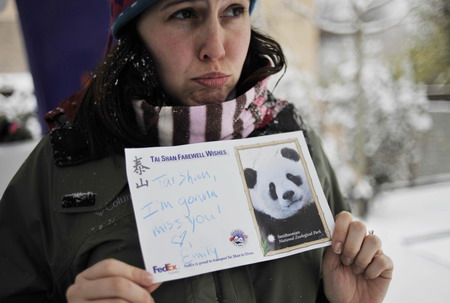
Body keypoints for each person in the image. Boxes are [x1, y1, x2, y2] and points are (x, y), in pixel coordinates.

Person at [0, 0, 393, 302]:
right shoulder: (64, 160)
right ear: (134, 32)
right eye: (185, 12)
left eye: (234, 10)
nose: (216, 47)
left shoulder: (292, 139)